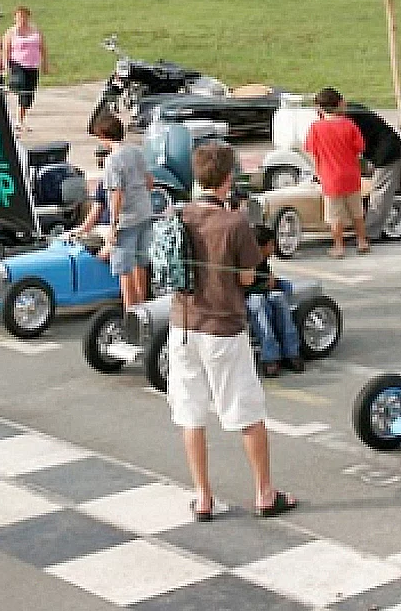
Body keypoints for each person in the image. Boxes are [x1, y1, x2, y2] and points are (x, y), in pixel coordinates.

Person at [169, 142, 296, 521]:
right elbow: (246, 277)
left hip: (183, 324)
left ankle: (204, 497)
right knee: (245, 411)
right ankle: (264, 492)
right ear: (229, 178)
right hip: (222, 326)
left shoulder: (179, 214)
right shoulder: (234, 224)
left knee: (190, 412)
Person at [91, 112, 155, 306]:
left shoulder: (112, 161)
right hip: (145, 213)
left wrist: (113, 224)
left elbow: (116, 193)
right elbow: (149, 181)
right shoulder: (136, 151)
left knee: (124, 269)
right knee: (141, 264)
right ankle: (143, 308)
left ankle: (130, 312)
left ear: (104, 136)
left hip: (126, 220)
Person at [307, 87, 369, 258]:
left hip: (330, 177)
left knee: (335, 216)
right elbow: (360, 148)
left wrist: (317, 172)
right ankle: (362, 241)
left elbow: (312, 152)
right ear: (339, 104)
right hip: (351, 174)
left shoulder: (316, 128)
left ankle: (338, 246)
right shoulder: (349, 124)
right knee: (357, 212)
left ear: (319, 108)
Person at [246, 224, 305, 378]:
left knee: (279, 297)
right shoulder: (246, 261)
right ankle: (270, 356)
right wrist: (266, 286)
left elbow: (269, 280)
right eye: (271, 244)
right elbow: (244, 287)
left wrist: (273, 284)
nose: (274, 247)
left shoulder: (263, 260)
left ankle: (291, 351)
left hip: (264, 290)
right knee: (258, 303)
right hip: (249, 296)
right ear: (261, 246)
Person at [343, 101, 401, 244]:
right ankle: (368, 225)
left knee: (380, 192)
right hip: (380, 150)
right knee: (376, 189)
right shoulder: (352, 110)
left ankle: (369, 233)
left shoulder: (348, 116)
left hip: (388, 153)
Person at [3, 5, 47, 135]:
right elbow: (6, 50)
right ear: (15, 18)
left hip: (32, 65)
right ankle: (18, 121)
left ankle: (21, 118)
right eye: (19, 17)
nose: (22, 19)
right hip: (18, 64)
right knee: (22, 88)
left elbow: (42, 47)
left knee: (29, 92)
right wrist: (6, 66)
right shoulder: (11, 32)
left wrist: (45, 63)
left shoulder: (35, 31)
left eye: (24, 17)